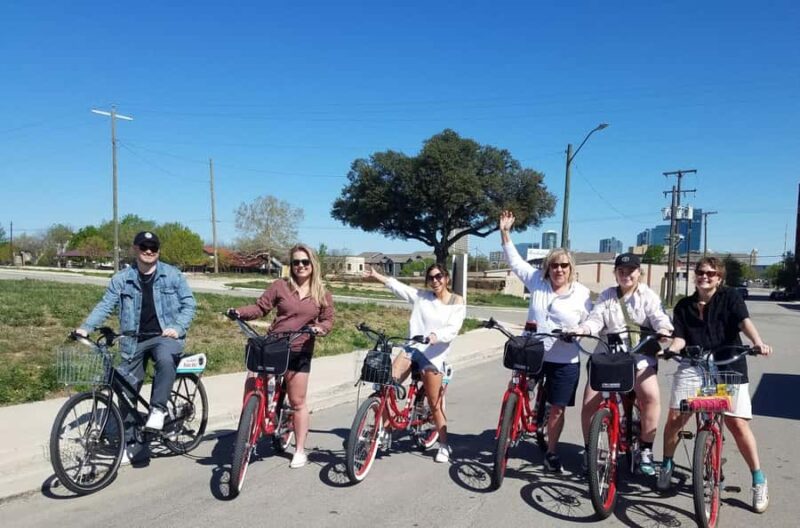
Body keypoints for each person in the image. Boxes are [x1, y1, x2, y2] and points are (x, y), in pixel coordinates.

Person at [657, 257, 772, 513]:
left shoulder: (730, 298)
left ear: (719, 278)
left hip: (727, 364)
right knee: (677, 416)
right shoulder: (684, 305)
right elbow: (679, 338)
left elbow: (744, 322)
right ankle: (666, 464)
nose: (705, 276)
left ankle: (758, 478)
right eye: (700, 272)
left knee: (736, 423)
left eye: (711, 273)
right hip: (694, 364)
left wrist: (757, 342)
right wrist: (669, 351)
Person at [76, 231, 197, 463]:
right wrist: (85, 327)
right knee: (125, 387)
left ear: (158, 251)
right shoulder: (122, 279)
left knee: (164, 358)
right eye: (144, 247)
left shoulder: (172, 275)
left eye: (153, 247)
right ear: (135, 249)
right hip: (134, 339)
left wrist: (178, 327)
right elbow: (105, 305)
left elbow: (189, 305)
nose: (149, 251)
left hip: (165, 335)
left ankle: (158, 410)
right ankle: (132, 442)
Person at [499, 210, 592, 473]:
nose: (559, 269)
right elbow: (515, 261)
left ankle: (551, 452)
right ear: (547, 268)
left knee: (557, 409)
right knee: (515, 388)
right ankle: (510, 422)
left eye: (564, 265)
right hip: (533, 353)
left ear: (571, 269)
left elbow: (591, 322)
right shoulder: (537, 281)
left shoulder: (581, 294)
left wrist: (579, 330)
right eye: (554, 265)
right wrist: (505, 233)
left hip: (565, 359)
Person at [230, 243, 334, 469]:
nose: (300, 266)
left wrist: (320, 329)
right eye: (296, 262)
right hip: (275, 345)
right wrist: (239, 312)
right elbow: (260, 307)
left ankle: (298, 450)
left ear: (313, 264)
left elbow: (328, 320)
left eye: (305, 262)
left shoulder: (321, 293)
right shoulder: (280, 286)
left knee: (297, 402)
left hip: (300, 349)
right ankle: (250, 420)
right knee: (253, 381)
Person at [572, 253, 673, 476]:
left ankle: (645, 449)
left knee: (650, 396)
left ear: (639, 272)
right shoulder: (607, 295)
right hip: (608, 355)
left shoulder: (648, 296)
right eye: (621, 271)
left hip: (638, 357)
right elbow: (596, 319)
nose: (626, 275)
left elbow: (659, 317)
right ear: (616, 273)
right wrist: (584, 329)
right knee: (589, 402)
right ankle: (591, 451)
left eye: (630, 271)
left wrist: (664, 331)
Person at [363, 263, 466, 463]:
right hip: (413, 348)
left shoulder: (456, 301)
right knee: (383, 383)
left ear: (446, 278)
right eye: (431, 278)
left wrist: (437, 336)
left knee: (434, 403)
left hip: (434, 354)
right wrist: (377, 275)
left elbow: (454, 328)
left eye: (439, 277)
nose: (435, 281)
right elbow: (400, 288)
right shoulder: (422, 296)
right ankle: (386, 429)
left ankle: (444, 444)